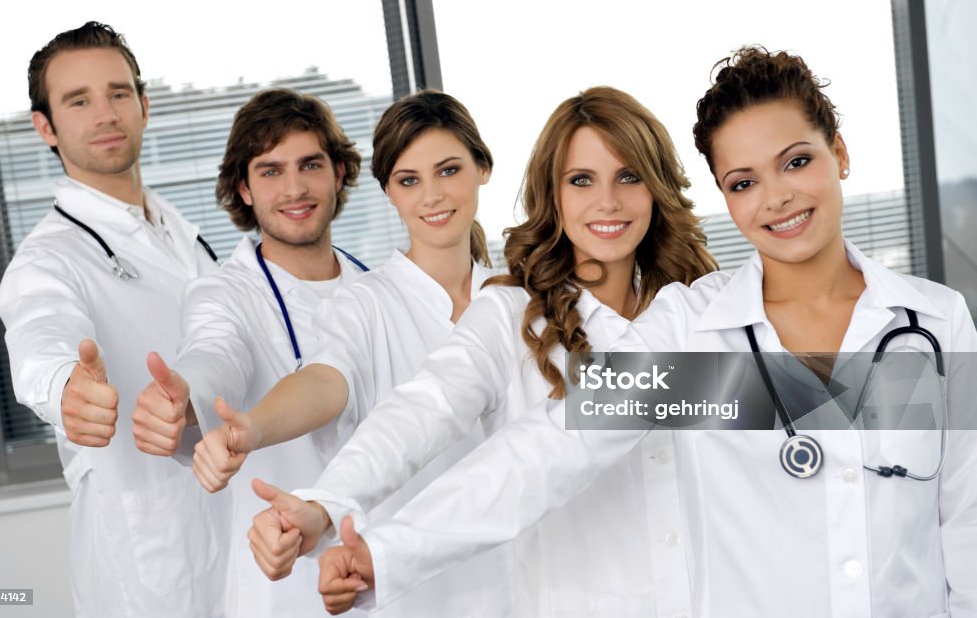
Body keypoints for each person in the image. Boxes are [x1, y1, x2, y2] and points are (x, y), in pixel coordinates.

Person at [318, 48, 977, 618]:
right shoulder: (698, 330)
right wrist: (384, 548)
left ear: (839, 153)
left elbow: (967, 526)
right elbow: (553, 447)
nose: (776, 197)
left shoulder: (937, 323)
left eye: (797, 161)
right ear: (726, 194)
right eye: (744, 181)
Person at [259, 86, 717, 617]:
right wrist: (328, 502)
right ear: (554, 192)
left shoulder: (699, 311)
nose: (607, 202)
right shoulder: (510, 314)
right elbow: (422, 412)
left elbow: (809, 418)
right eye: (581, 180)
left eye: (629, 176)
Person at [191, 89, 512, 618]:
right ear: (389, 191)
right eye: (409, 180)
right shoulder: (363, 301)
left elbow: (578, 417)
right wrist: (254, 427)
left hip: (523, 581)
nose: (432, 195)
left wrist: (696, 388)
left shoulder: (522, 299)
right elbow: (325, 379)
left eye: (449, 170)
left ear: (483, 168)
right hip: (413, 593)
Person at [0, 21, 225, 617]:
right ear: (44, 126)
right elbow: (38, 334)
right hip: (145, 561)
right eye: (79, 100)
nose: (105, 113)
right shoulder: (46, 260)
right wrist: (65, 385)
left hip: (232, 527)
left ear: (145, 106)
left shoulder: (180, 232)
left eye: (118, 93)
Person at [128, 88, 368, 617]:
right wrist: (186, 397)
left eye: (310, 164)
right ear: (243, 187)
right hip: (289, 585)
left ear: (340, 174)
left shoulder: (380, 289)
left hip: (385, 571)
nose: (295, 187)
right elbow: (215, 352)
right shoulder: (225, 293)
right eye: (270, 170)